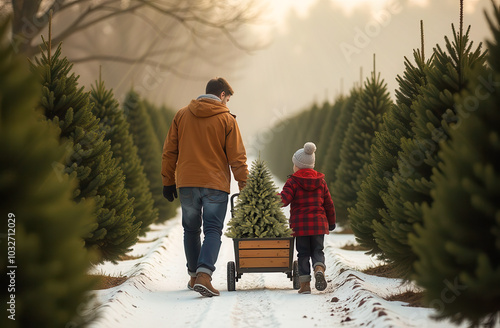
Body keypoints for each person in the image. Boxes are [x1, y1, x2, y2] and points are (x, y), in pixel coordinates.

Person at [161, 77, 248, 297]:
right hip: (215, 185)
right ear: (221, 95)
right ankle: (204, 276)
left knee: (191, 229)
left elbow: (170, 151)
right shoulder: (227, 120)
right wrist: (244, 185)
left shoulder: (181, 115)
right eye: (227, 99)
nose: (227, 104)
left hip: (187, 184)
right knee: (212, 230)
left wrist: (168, 181)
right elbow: (237, 157)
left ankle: (193, 276)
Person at [279, 142, 336, 294]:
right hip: (318, 225)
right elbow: (329, 204)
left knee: (303, 253)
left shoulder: (293, 182)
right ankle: (319, 268)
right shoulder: (321, 181)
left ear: (297, 166)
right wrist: (331, 223)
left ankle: (305, 286)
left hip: (301, 226)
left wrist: (269, 198)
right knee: (318, 250)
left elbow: (283, 200)